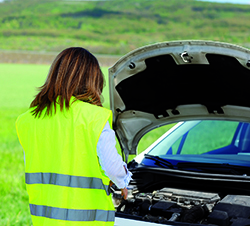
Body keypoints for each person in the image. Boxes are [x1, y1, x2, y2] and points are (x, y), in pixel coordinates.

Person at [15, 47, 132, 226]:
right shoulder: (94, 117)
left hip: (44, 221)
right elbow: (111, 167)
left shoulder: (28, 120)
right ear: (91, 81)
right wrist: (124, 183)